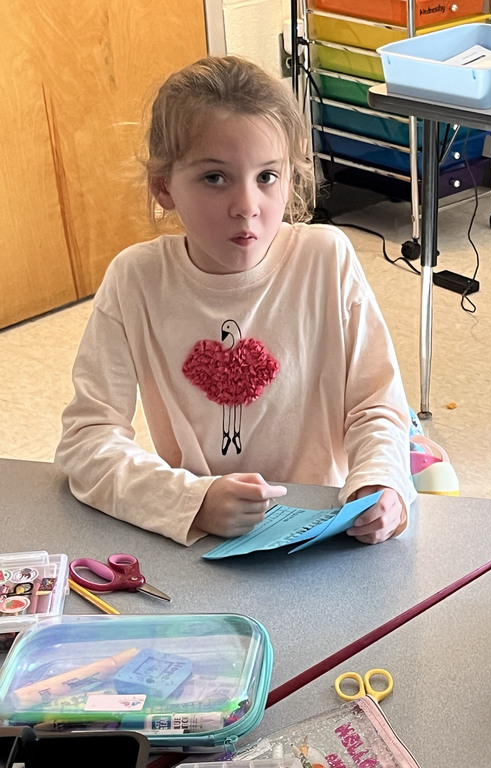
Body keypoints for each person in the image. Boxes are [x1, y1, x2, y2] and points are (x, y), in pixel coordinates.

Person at [56, 56, 415, 546]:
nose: (247, 205)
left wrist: (381, 484)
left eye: (267, 176)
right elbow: (87, 440)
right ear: (164, 187)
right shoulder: (135, 280)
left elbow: (378, 406)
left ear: (292, 177)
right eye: (214, 178)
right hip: (200, 544)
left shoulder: (325, 259)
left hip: (325, 537)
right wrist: (192, 501)